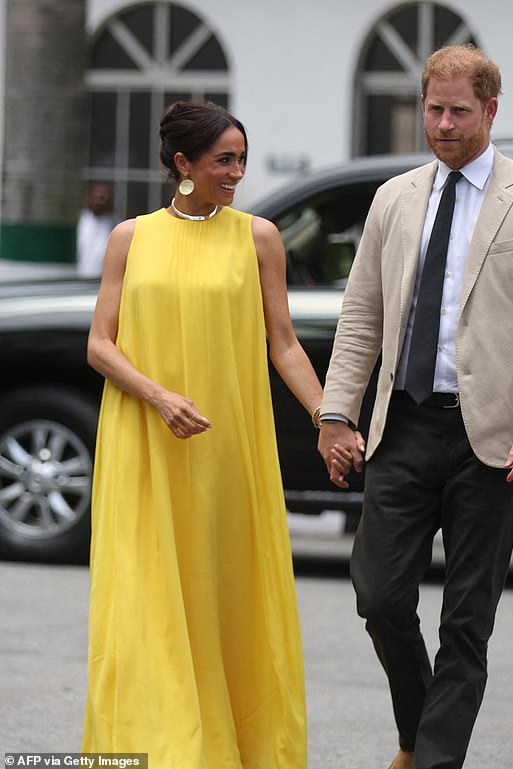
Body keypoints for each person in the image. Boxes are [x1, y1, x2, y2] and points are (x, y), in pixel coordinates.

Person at [317, 45, 513, 769]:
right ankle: (419, 728)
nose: (442, 123)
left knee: (466, 621)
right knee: (378, 597)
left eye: (458, 111)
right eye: (433, 109)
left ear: (490, 110)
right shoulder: (395, 197)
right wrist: (336, 412)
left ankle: (434, 760)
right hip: (400, 425)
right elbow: (362, 315)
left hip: (492, 439)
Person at [82, 100, 354, 768]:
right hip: (147, 440)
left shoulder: (259, 237)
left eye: (240, 159)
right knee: (148, 601)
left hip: (229, 445)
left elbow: (284, 344)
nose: (236, 172)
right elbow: (99, 344)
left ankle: (242, 747)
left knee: (228, 594)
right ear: (183, 164)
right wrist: (158, 396)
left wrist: (330, 417)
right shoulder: (130, 238)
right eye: (222, 160)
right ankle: (165, 749)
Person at [76, 182, 116, 278]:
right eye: (96, 197)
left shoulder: (114, 224)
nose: (99, 202)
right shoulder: (82, 220)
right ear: (89, 198)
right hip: (80, 278)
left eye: (103, 198)